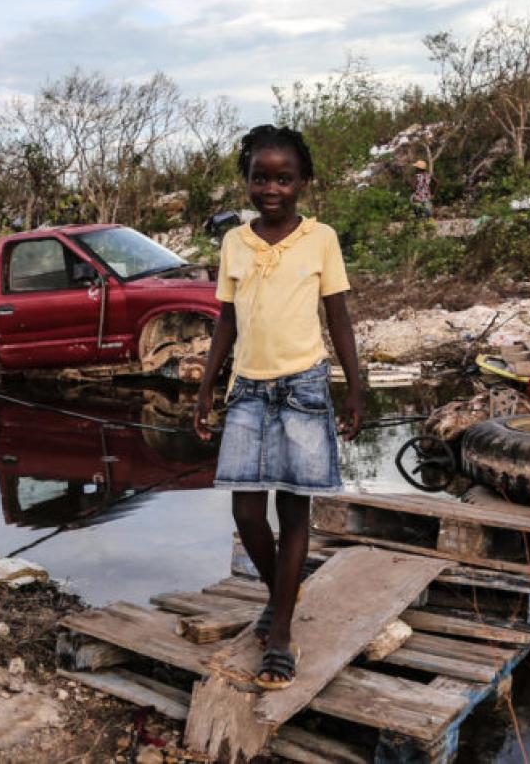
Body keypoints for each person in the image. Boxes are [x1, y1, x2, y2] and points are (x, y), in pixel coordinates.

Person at [193, 124, 365, 691]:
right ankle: (281, 596)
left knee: (294, 515)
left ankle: (282, 633)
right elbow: (227, 319)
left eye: (284, 178)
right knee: (247, 514)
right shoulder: (234, 243)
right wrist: (205, 387)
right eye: (260, 177)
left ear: (303, 183)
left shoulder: (321, 239)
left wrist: (354, 388)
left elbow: (336, 316)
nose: (271, 188)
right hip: (247, 389)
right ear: (246, 181)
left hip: (305, 387)